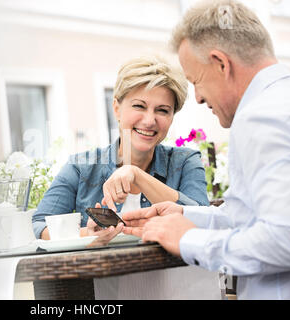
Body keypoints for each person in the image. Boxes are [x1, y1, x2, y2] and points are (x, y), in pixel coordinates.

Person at [122, 0, 290, 299]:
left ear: (221, 63)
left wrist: (189, 240)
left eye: (196, 81)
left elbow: (288, 238)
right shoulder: (289, 99)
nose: (199, 98)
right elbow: (258, 217)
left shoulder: (263, 116)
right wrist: (185, 215)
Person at [33, 56, 222, 299]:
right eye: (139, 106)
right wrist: (86, 236)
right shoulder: (82, 167)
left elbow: (201, 218)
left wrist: (137, 176)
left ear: (172, 117)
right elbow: (39, 224)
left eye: (162, 110)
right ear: (116, 109)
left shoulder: (185, 161)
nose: (149, 120)